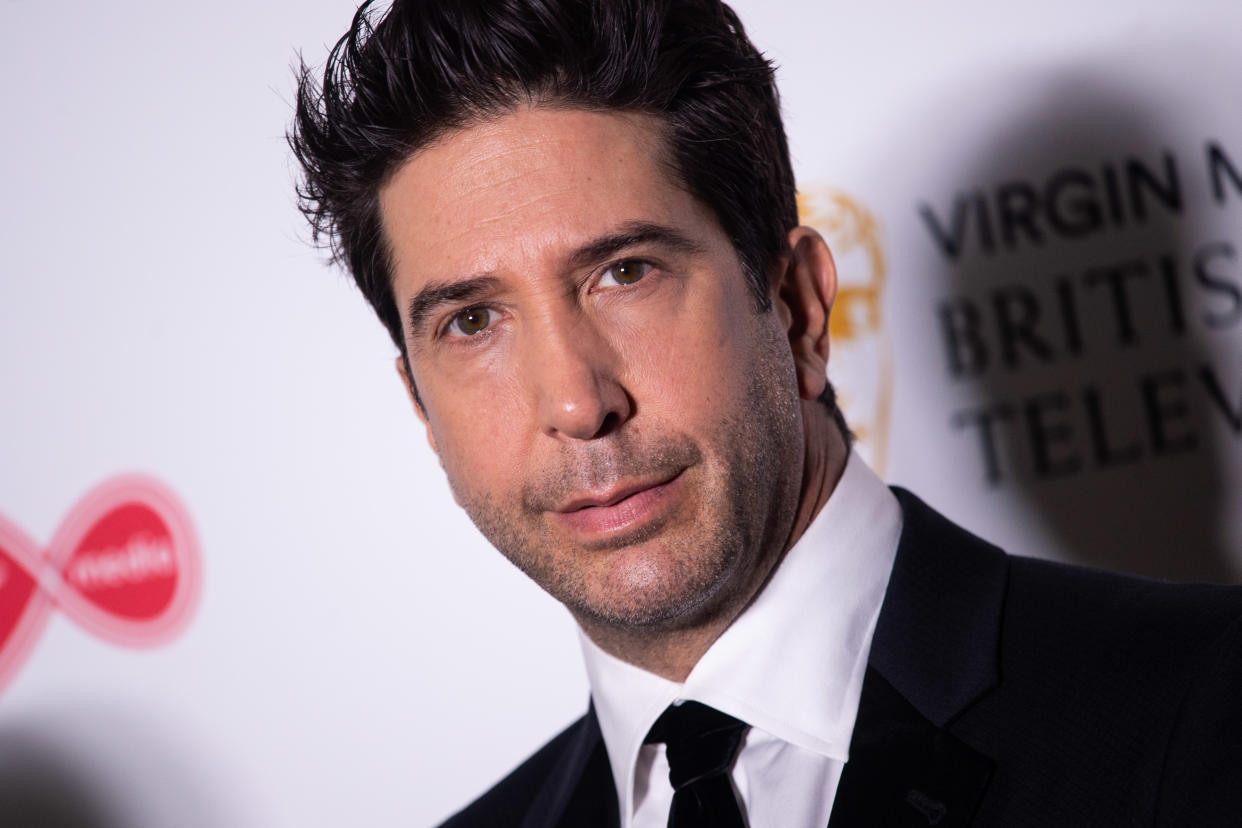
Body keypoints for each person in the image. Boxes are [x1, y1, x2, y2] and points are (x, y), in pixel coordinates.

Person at [289, 1, 1242, 824]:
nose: (578, 403)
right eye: (473, 321)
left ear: (795, 306)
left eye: (626, 274)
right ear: (420, 404)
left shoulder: (1202, 711)